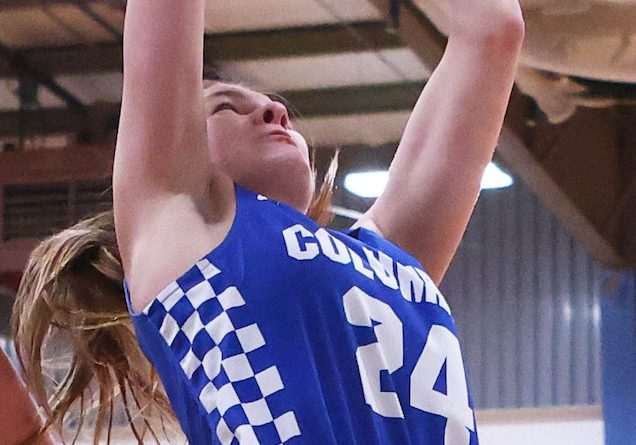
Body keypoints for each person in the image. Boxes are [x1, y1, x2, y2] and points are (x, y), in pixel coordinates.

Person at [12, 0, 525, 443]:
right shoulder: (180, 227)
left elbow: (494, 31)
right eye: (226, 108)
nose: (273, 111)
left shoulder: (385, 255)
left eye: (276, 108)